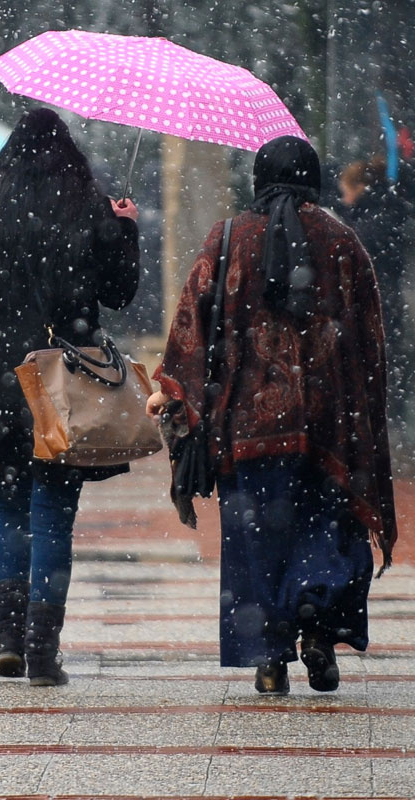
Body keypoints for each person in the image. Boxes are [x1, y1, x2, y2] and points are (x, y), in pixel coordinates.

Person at [148, 136, 398, 695]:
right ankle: (315, 616)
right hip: (330, 426)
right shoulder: (342, 240)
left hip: (247, 429)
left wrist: (173, 388)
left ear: (259, 179)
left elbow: (193, 320)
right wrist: (365, 410)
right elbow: (372, 341)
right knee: (326, 529)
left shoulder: (230, 237)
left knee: (256, 541)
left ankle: (270, 658)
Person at [0, 109, 140, 686]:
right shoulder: (89, 207)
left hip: (1, 382)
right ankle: (43, 650)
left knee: (10, 512)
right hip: (66, 382)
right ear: (72, 156)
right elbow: (117, 294)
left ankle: (8, 642)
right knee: (54, 519)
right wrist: (125, 230)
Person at [335, 157, 412, 437]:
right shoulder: (386, 212)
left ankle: (383, 427)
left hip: (378, 304)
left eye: (346, 190)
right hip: (384, 303)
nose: (343, 199)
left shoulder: (372, 221)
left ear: (360, 187)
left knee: (379, 363)